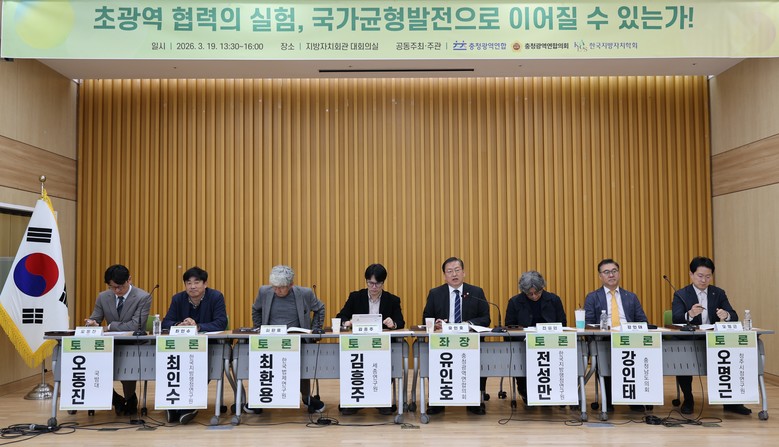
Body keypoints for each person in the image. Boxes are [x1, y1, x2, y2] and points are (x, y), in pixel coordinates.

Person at [672, 256, 751, 416]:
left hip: (714, 339)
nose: (704, 280)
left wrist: (726, 315)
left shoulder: (718, 293)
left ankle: (732, 401)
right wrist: (690, 314)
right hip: (691, 338)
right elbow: (676, 318)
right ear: (691, 274)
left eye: (708, 276)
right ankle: (688, 399)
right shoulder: (681, 294)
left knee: (732, 354)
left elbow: (734, 315)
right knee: (682, 357)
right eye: (700, 276)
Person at [251, 265, 326, 414]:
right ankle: (261, 398)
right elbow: (256, 309)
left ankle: (306, 396)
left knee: (300, 362)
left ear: (291, 285)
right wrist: (259, 329)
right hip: (270, 341)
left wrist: (313, 331)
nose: (277, 290)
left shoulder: (305, 293)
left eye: (281, 287)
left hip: (297, 341)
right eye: (274, 286)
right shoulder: (264, 291)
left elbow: (320, 308)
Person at [422, 257, 490, 415]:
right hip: (443, 343)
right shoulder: (435, 293)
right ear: (444, 276)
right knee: (435, 361)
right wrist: (436, 324)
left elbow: (486, 318)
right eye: (450, 271)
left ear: (463, 273)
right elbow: (426, 318)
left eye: (457, 270)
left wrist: (468, 323)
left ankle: (475, 400)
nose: (454, 274)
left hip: (470, 342)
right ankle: (437, 400)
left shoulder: (476, 292)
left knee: (477, 360)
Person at [161, 266, 228, 424]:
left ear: (205, 284)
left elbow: (221, 322)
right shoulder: (178, 299)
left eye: (196, 282)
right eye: (188, 283)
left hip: (208, 346)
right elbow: (166, 322)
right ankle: (174, 404)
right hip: (181, 346)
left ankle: (189, 405)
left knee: (199, 365)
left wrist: (197, 327)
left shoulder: (215, 297)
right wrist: (179, 325)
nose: (192, 286)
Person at [336, 263, 405, 416]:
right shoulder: (355, 297)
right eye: (370, 283)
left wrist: (393, 324)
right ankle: (353, 401)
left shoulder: (392, 300)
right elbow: (341, 316)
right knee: (355, 366)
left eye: (377, 283)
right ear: (366, 281)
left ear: (383, 282)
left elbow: (401, 322)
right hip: (358, 346)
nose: (374, 287)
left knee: (382, 365)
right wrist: (347, 322)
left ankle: (381, 401)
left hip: (381, 346)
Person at [584, 258, 649, 412]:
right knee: (605, 355)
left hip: (630, 338)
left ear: (619, 274)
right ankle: (609, 399)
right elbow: (588, 323)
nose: (611, 275)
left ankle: (635, 398)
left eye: (614, 271)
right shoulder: (593, 297)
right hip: (604, 339)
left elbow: (643, 321)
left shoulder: (630, 297)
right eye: (606, 272)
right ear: (600, 276)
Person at [85, 264, 150, 416]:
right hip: (108, 344)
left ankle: (130, 398)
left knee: (126, 365)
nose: (117, 291)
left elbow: (135, 325)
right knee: (92, 367)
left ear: (129, 280)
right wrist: (91, 324)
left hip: (132, 344)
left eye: (120, 287)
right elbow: (96, 319)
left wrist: (109, 327)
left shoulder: (143, 297)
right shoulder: (103, 297)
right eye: (112, 287)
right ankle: (116, 399)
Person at [505, 270, 566, 405]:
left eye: (537, 292)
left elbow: (562, 324)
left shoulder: (554, 300)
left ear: (542, 287)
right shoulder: (515, 302)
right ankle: (525, 392)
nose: (534, 296)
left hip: (551, 345)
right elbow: (509, 327)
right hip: (523, 346)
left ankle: (556, 392)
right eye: (529, 294)